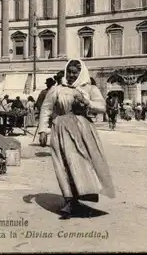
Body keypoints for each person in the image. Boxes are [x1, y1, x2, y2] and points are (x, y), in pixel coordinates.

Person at [38, 59, 115, 219]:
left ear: (81, 73)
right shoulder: (57, 89)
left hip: (82, 130)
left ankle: (82, 195)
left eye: (75, 72)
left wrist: (87, 102)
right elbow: (46, 108)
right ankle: (69, 199)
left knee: (82, 163)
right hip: (61, 129)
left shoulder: (90, 88)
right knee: (63, 163)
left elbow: (102, 107)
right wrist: (43, 130)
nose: (72, 75)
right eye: (69, 72)